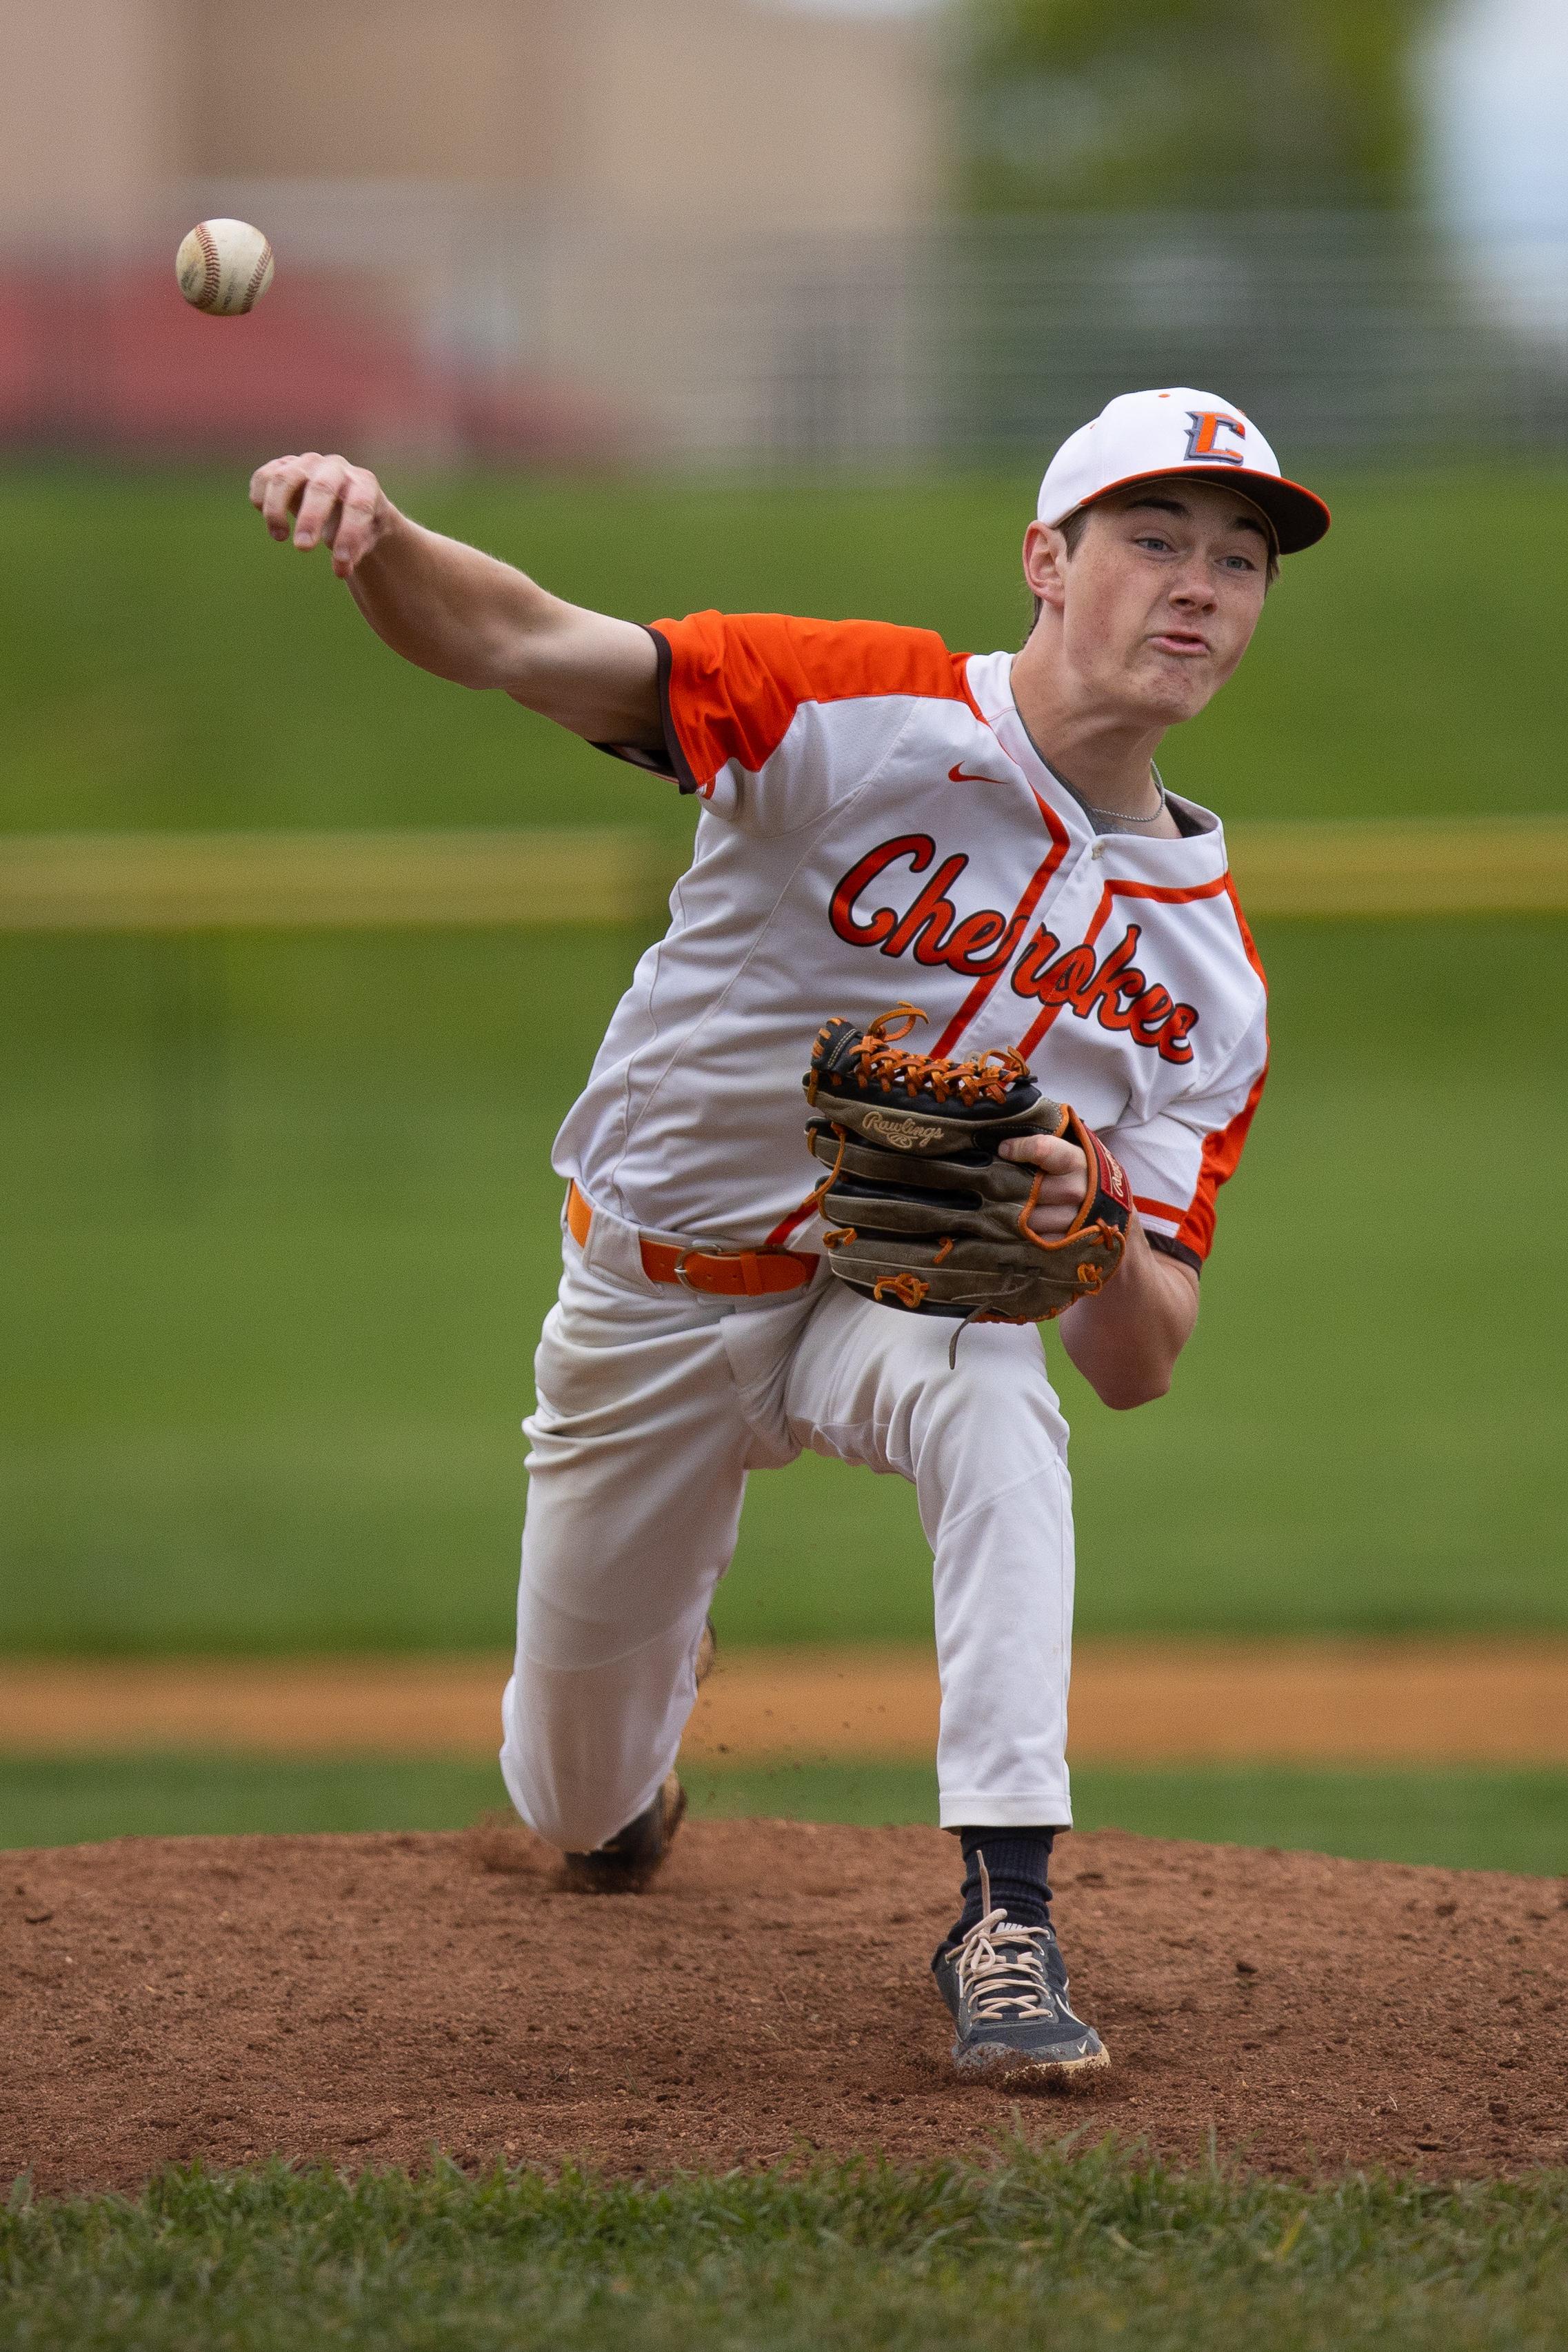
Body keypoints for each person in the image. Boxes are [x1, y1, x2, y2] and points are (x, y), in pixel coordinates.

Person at [250, 388, 1329, 2082]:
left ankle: (1005, 1911)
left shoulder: (1212, 977)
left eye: (1241, 559)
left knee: (999, 1390)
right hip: (650, 1304)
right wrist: (380, 542)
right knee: (574, 1792)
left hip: (880, 1301)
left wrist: (1096, 1226)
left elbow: (1138, 1358)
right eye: (1154, 539)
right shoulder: (855, 705)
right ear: (1046, 561)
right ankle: (634, 1782)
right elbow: (524, 639)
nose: (1199, 586)